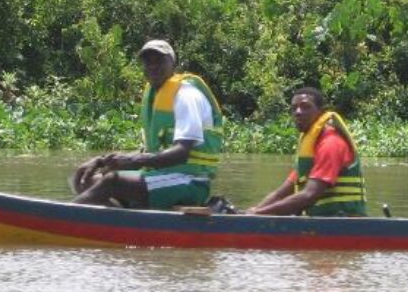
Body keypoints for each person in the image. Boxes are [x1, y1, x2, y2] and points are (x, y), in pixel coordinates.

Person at [71, 39, 223, 209]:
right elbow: (149, 153)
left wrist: (132, 161)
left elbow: (182, 153)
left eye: (159, 60)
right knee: (86, 178)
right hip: (162, 175)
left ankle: (63, 220)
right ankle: (121, 228)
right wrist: (101, 162)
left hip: (190, 181)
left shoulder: (186, 95)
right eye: (148, 62)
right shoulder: (155, 97)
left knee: (113, 182)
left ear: (173, 63)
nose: (153, 66)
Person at [247, 86, 366, 216]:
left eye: (305, 107)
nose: (298, 112)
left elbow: (309, 194)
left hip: (343, 224)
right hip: (320, 224)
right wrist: (254, 211)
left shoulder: (331, 143)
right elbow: (281, 193)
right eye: (294, 108)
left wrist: (259, 213)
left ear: (320, 112)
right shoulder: (310, 147)